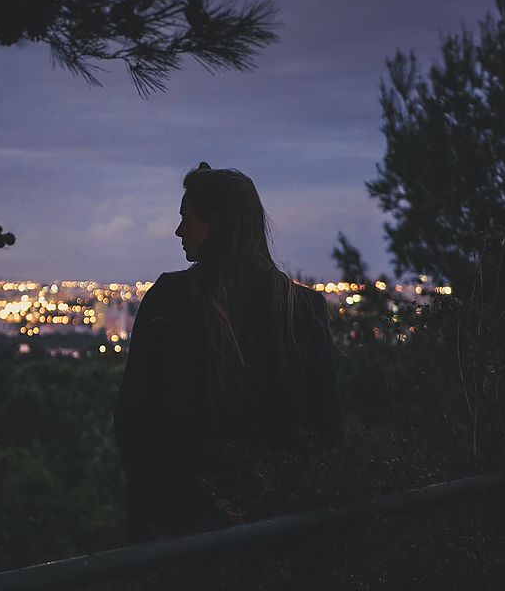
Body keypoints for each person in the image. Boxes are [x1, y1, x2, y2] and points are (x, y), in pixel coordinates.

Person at [113, 163, 343, 542]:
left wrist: (154, 507)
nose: (179, 231)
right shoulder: (301, 309)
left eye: (187, 219)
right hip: (281, 528)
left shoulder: (170, 301)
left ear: (216, 223)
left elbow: (134, 417)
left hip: (179, 526)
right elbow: (328, 428)